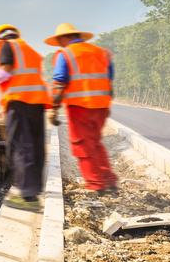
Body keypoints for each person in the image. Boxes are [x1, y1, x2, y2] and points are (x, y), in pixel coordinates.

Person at [0, 24, 51, 212]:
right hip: (37, 104)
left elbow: (4, 73)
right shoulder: (30, 51)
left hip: (20, 104)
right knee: (34, 148)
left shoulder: (8, 46)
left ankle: (27, 198)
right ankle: (33, 190)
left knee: (20, 147)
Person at [45, 23, 118, 197]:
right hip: (101, 106)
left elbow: (60, 82)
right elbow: (109, 77)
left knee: (81, 145)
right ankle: (109, 180)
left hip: (80, 106)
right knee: (95, 142)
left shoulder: (66, 54)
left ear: (63, 38)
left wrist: (54, 109)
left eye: (59, 41)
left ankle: (96, 185)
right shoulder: (101, 52)